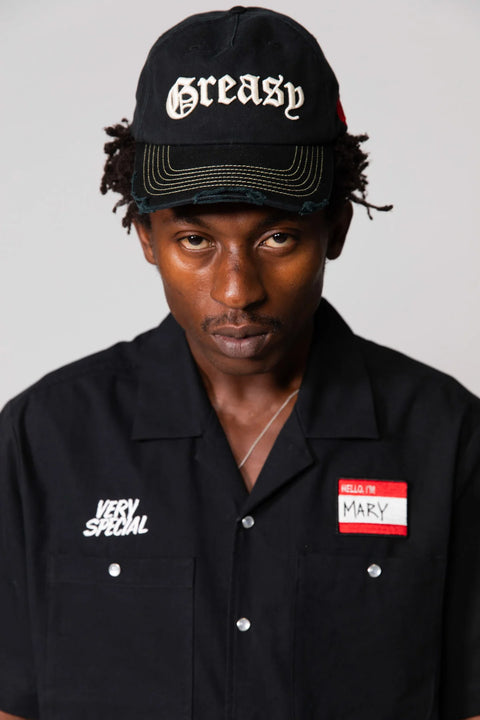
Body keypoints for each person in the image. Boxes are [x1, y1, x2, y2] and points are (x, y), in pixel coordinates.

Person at [0, 7, 479, 720]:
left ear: (336, 228)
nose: (236, 291)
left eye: (278, 237)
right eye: (195, 240)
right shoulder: (42, 441)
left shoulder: (449, 439)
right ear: (145, 236)